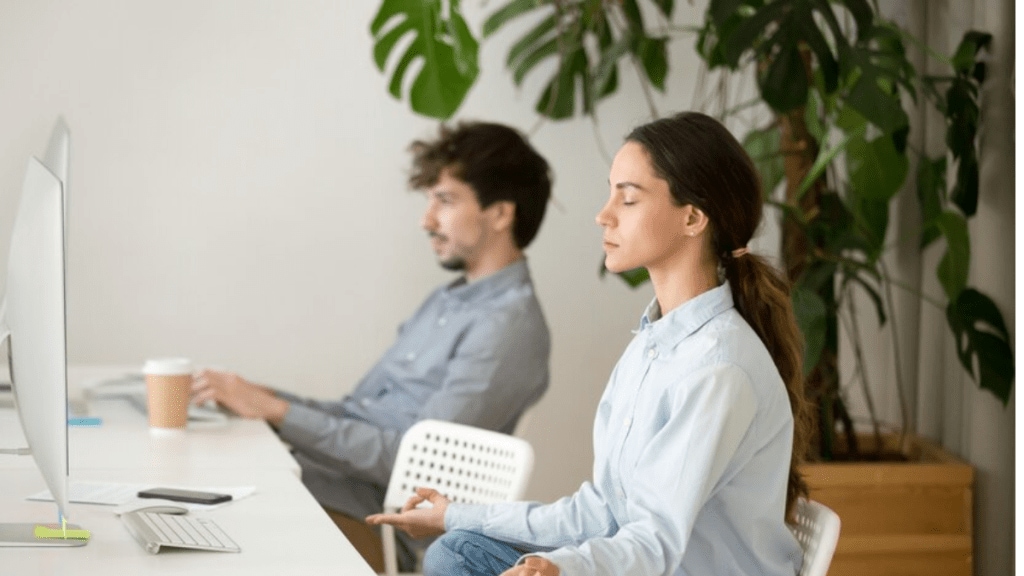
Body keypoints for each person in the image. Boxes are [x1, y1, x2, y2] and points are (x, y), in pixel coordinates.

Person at [366, 111, 813, 576]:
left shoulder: (720, 367)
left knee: (457, 559)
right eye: (610, 193)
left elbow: (655, 542)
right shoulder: (653, 345)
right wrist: (453, 514)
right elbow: (600, 513)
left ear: (693, 217)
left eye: (629, 198)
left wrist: (563, 567)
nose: (604, 215)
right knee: (458, 548)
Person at [191, 121, 553, 572]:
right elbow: (356, 411)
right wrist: (262, 399)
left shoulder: (509, 328)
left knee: (208, 524)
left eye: (444, 200)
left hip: (378, 526)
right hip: (331, 486)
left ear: (500, 214)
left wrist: (277, 413)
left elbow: (419, 467)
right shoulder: (446, 300)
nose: (426, 220)